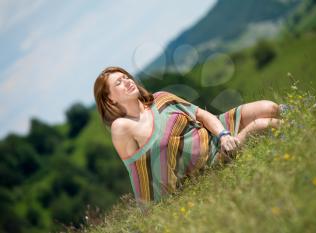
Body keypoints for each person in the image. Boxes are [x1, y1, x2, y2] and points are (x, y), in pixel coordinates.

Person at [93, 66, 282, 205]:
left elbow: (201, 115)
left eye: (126, 77)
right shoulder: (122, 127)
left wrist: (224, 135)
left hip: (218, 134)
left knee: (269, 107)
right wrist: (150, 209)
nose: (127, 81)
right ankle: (305, 116)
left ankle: (304, 110)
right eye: (118, 82)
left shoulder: (161, 99)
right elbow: (138, 172)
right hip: (206, 164)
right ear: (110, 98)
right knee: (262, 125)